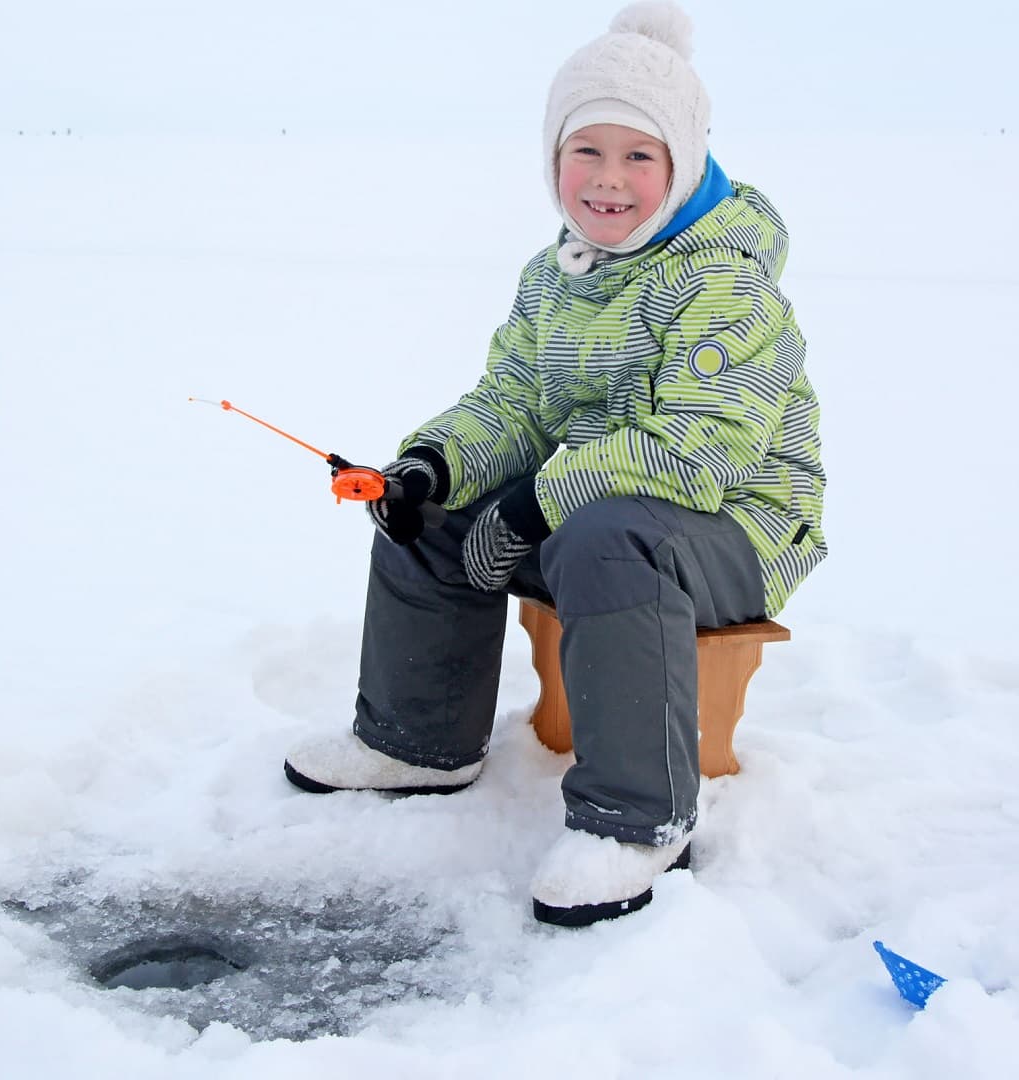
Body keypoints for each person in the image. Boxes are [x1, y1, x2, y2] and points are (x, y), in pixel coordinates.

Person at [283, 0, 826, 927]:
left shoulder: (723, 278)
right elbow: (516, 403)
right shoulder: (558, 272)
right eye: (588, 151)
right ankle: (417, 741)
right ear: (552, 159)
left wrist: (538, 505)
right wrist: (429, 468)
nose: (608, 180)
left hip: (737, 527)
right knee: (441, 513)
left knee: (607, 538)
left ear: (682, 162)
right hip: (605, 519)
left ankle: (636, 819)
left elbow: (696, 452)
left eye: (638, 156)